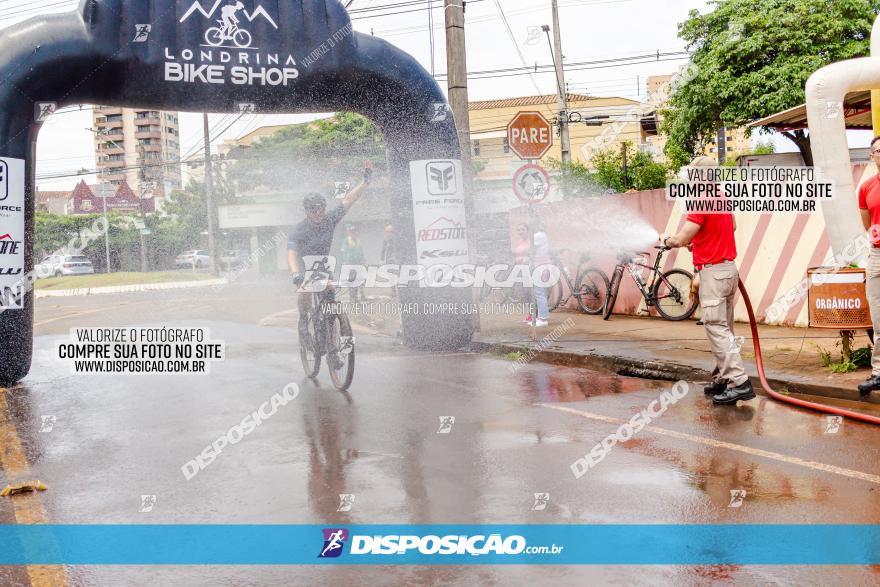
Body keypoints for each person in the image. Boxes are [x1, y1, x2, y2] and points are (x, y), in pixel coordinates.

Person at [663, 157, 751, 406]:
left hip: (713, 273)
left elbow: (683, 236)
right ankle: (723, 378)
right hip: (728, 271)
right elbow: (729, 226)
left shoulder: (701, 198)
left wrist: (671, 240)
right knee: (723, 328)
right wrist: (701, 242)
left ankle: (740, 382)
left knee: (716, 328)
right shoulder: (721, 196)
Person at [288, 161, 373, 334]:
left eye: (321, 208)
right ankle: (304, 319)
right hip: (304, 266)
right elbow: (291, 253)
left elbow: (349, 199)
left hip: (322, 266)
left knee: (330, 308)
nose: (318, 212)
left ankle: (333, 350)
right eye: (313, 210)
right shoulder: (299, 229)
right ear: (306, 211)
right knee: (304, 288)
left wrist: (365, 181)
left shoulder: (329, 220)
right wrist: (296, 274)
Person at [858, 136, 880, 396]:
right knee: (878, 317)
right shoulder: (866, 188)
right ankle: (878, 372)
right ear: (872, 156)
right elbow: (867, 223)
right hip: (876, 254)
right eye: (878, 151)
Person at [531, 226, 551, 328]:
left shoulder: (538, 235)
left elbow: (530, 248)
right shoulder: (543, 235)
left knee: (539, 293)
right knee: (540, 292)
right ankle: (541, 317)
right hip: (542, 265)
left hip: (540, 266)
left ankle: (543, 318)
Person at [340, 224, 366, 303]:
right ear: (348, 232)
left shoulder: (358, 241)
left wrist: (364, 261)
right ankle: (352, 297)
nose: (353, 233)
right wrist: (347, 263)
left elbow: (361, 252)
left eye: (354, 231)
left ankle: (356, 297)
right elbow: (344, 253)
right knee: (352, 281)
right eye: (351, 231)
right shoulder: (346, 241)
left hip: (358, 263)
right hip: (350, 264)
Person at [513, 224, 533, 323]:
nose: (521, 232)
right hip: (522, 270)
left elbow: (532, 255)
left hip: (530, 269)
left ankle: (533, 315)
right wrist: (518, 259)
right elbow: (518, 255)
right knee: (526, 293)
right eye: (519, 230)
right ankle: (531, 314)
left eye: (523, 229)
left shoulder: (530, 242)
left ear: (527, 231)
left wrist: (525, 259)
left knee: (529, 293)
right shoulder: (520, 241)